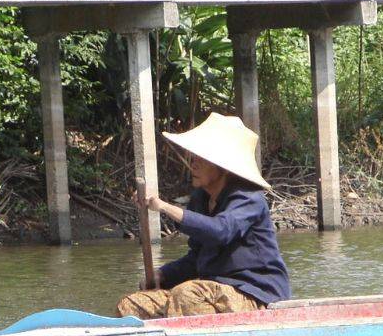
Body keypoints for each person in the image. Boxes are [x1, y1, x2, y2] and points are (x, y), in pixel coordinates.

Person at [116, 112, 291, 319]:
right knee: (131, 305)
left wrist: (165, 207)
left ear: (223, 167)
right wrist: (163, 274)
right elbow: (196, 259)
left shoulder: (249, 199)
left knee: (188, 295)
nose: (193, 163)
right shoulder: (200, 199)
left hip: (254, 295)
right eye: (194, 156)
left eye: (202, 158)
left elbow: (221, 230)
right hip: (211, 291)